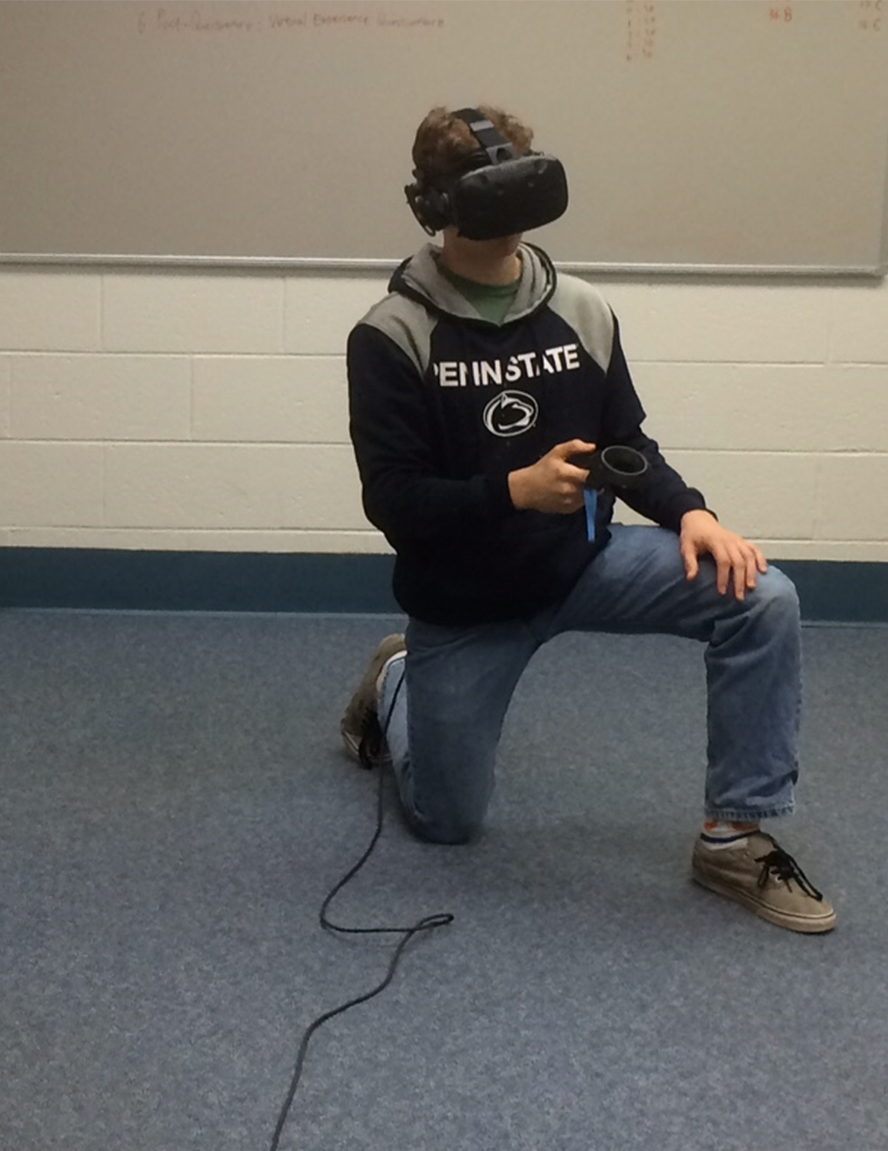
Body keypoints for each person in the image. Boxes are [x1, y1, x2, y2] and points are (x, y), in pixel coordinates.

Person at [340, 105, 835, 934]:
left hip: (584, 564)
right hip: (466, 603)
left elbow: (625, 443)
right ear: (437, 205)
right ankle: (397, 681)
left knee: (762, 596)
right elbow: (392, 501)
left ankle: (733, 835)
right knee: (448, 823)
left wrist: (692, 514)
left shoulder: (581, 309)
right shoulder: (392, 335)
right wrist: (513, 491)